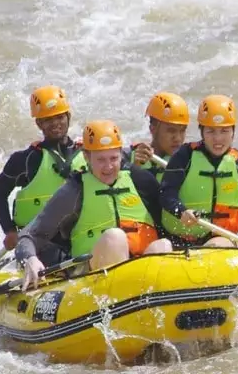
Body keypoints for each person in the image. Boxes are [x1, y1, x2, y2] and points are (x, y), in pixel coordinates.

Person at [16, 120, 172, 287]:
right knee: (115, 238)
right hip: (90, 274)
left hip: (140, 268)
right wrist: (30, 259)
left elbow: (170, 223)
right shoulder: (74, 191)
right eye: (101, 160)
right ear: (86, 157)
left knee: (163, 245)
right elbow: (29, 235)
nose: (108, 167)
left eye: (114, 158)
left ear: (121, 154)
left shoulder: (142, 181)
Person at [159, 94, 238, 248]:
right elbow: (166, 193)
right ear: (202, 132)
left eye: (224, 131)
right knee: (159, 246)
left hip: (221, 241)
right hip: (178, 240)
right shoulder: (184, 156)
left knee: (215, 245)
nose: (217, 139)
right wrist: (181, 211)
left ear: (233, 132)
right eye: (211, 131)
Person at [0, 85, 83, 250]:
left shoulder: (88, 154)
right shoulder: (25, 159)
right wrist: (9, 230)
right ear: (39, 123)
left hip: (78, 236)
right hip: (40, 241)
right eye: (48, 119)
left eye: (60, 117)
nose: (55, 123)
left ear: (68, 117)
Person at [131, 91, 190, 181]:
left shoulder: (188, 162)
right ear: (152, 129)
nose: (178, 138)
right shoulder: (128, 159)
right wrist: (135, 168)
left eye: (182, 131)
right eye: (171, 131)